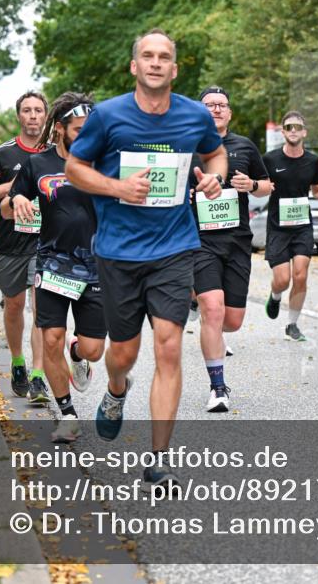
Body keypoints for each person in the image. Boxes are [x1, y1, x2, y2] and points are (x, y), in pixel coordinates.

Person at [66, 28, 226, 488]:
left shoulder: (195, 116)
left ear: (174, 70)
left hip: (175, 247)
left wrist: (215, 178)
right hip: (118, 251)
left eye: (165, 58)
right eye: (148, 56)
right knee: (123, 353)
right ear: (135, 66)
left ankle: (158, 460)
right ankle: (117, 389)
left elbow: (215, 155)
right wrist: (117, 188)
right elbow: (76, 168)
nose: (156, 63)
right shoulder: (108, 116)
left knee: (169, 346)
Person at [10, 92, 105, 443]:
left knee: (94, 348)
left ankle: (79, 355)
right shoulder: (38, 164)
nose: (87, 134)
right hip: (51, 264)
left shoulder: (104, 161)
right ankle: (67, 414)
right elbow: (10, 203)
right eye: (79, 129)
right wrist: (17, 198)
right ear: (61, 128)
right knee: (51, 338)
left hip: (97, 266)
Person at [190, 85, 272, 412]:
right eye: (209, 104)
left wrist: (251, 185)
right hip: (199, 241)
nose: (216, 109)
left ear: (230, 112)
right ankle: (218, 387)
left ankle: (203, 313)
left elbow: (266, 186)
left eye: (222, 105)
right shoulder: (187, 146)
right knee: (212, 307)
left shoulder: (245, 146)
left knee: (232, 320)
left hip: (237, 240)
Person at [0, 91, 49, 403]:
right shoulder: (3, 154)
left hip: (46, 244)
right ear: (19, 116)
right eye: (27, 111)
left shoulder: (57, 154)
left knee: (42, 308)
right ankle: (18, 361)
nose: (33, 116)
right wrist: (15, 186)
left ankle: (39, 375)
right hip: (9, 245)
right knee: (15, 306)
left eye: (38, 110)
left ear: (46, 116)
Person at [262, 111, 318, 342]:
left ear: (304, 132)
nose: (293, 131)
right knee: (282, 279)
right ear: (283, 131)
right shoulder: (270, 160)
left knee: (300, 275)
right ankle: (276, 295)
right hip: (278, 227)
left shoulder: (313, 161)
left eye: (298, 127)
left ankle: (292, 324)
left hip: (302, 227)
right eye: (289, 127)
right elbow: (259, 185)